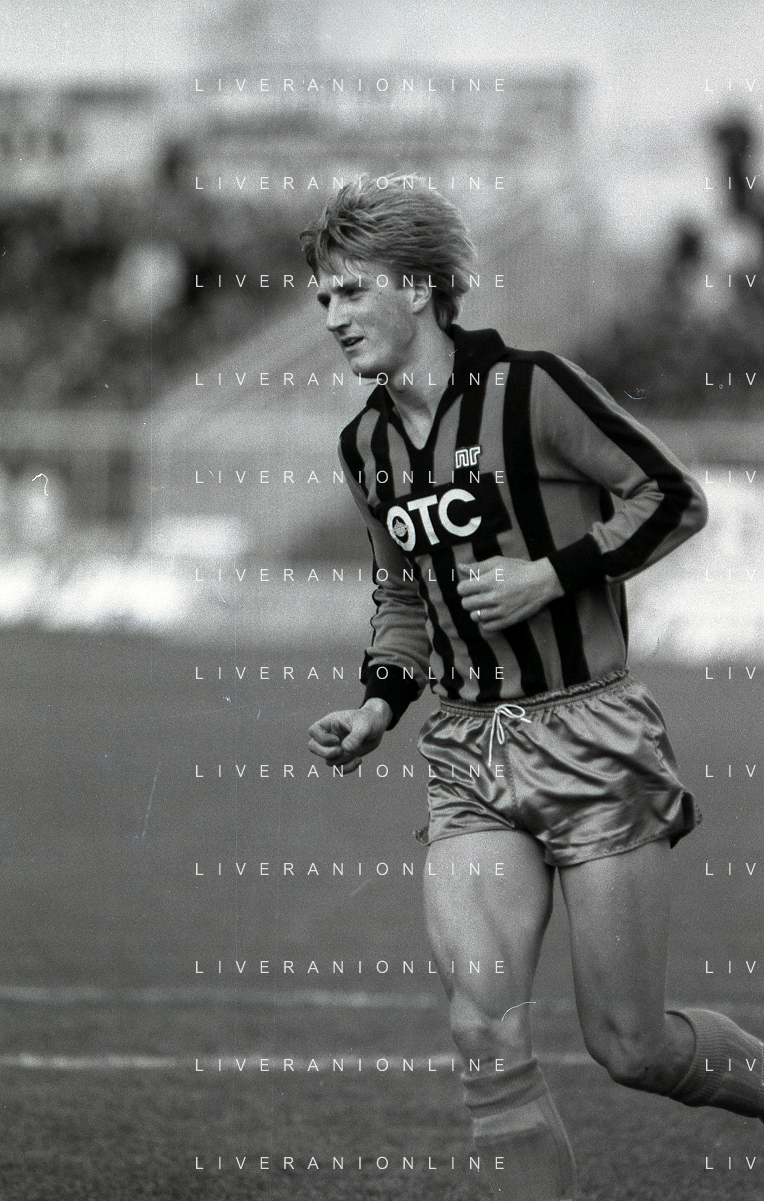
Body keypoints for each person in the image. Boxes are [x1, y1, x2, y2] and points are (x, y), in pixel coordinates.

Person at [301, 176, 763, 1201]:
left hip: (591, 737)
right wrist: (377, 704)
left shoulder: (534, 389)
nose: (331, 316)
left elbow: (671, 497)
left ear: (419, 287)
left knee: (631, 1045)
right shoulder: (364, 446)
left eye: (351, 290)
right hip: (466, 753)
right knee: (482, 1031)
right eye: (323, 296)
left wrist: (551, 574)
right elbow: (402, 596)